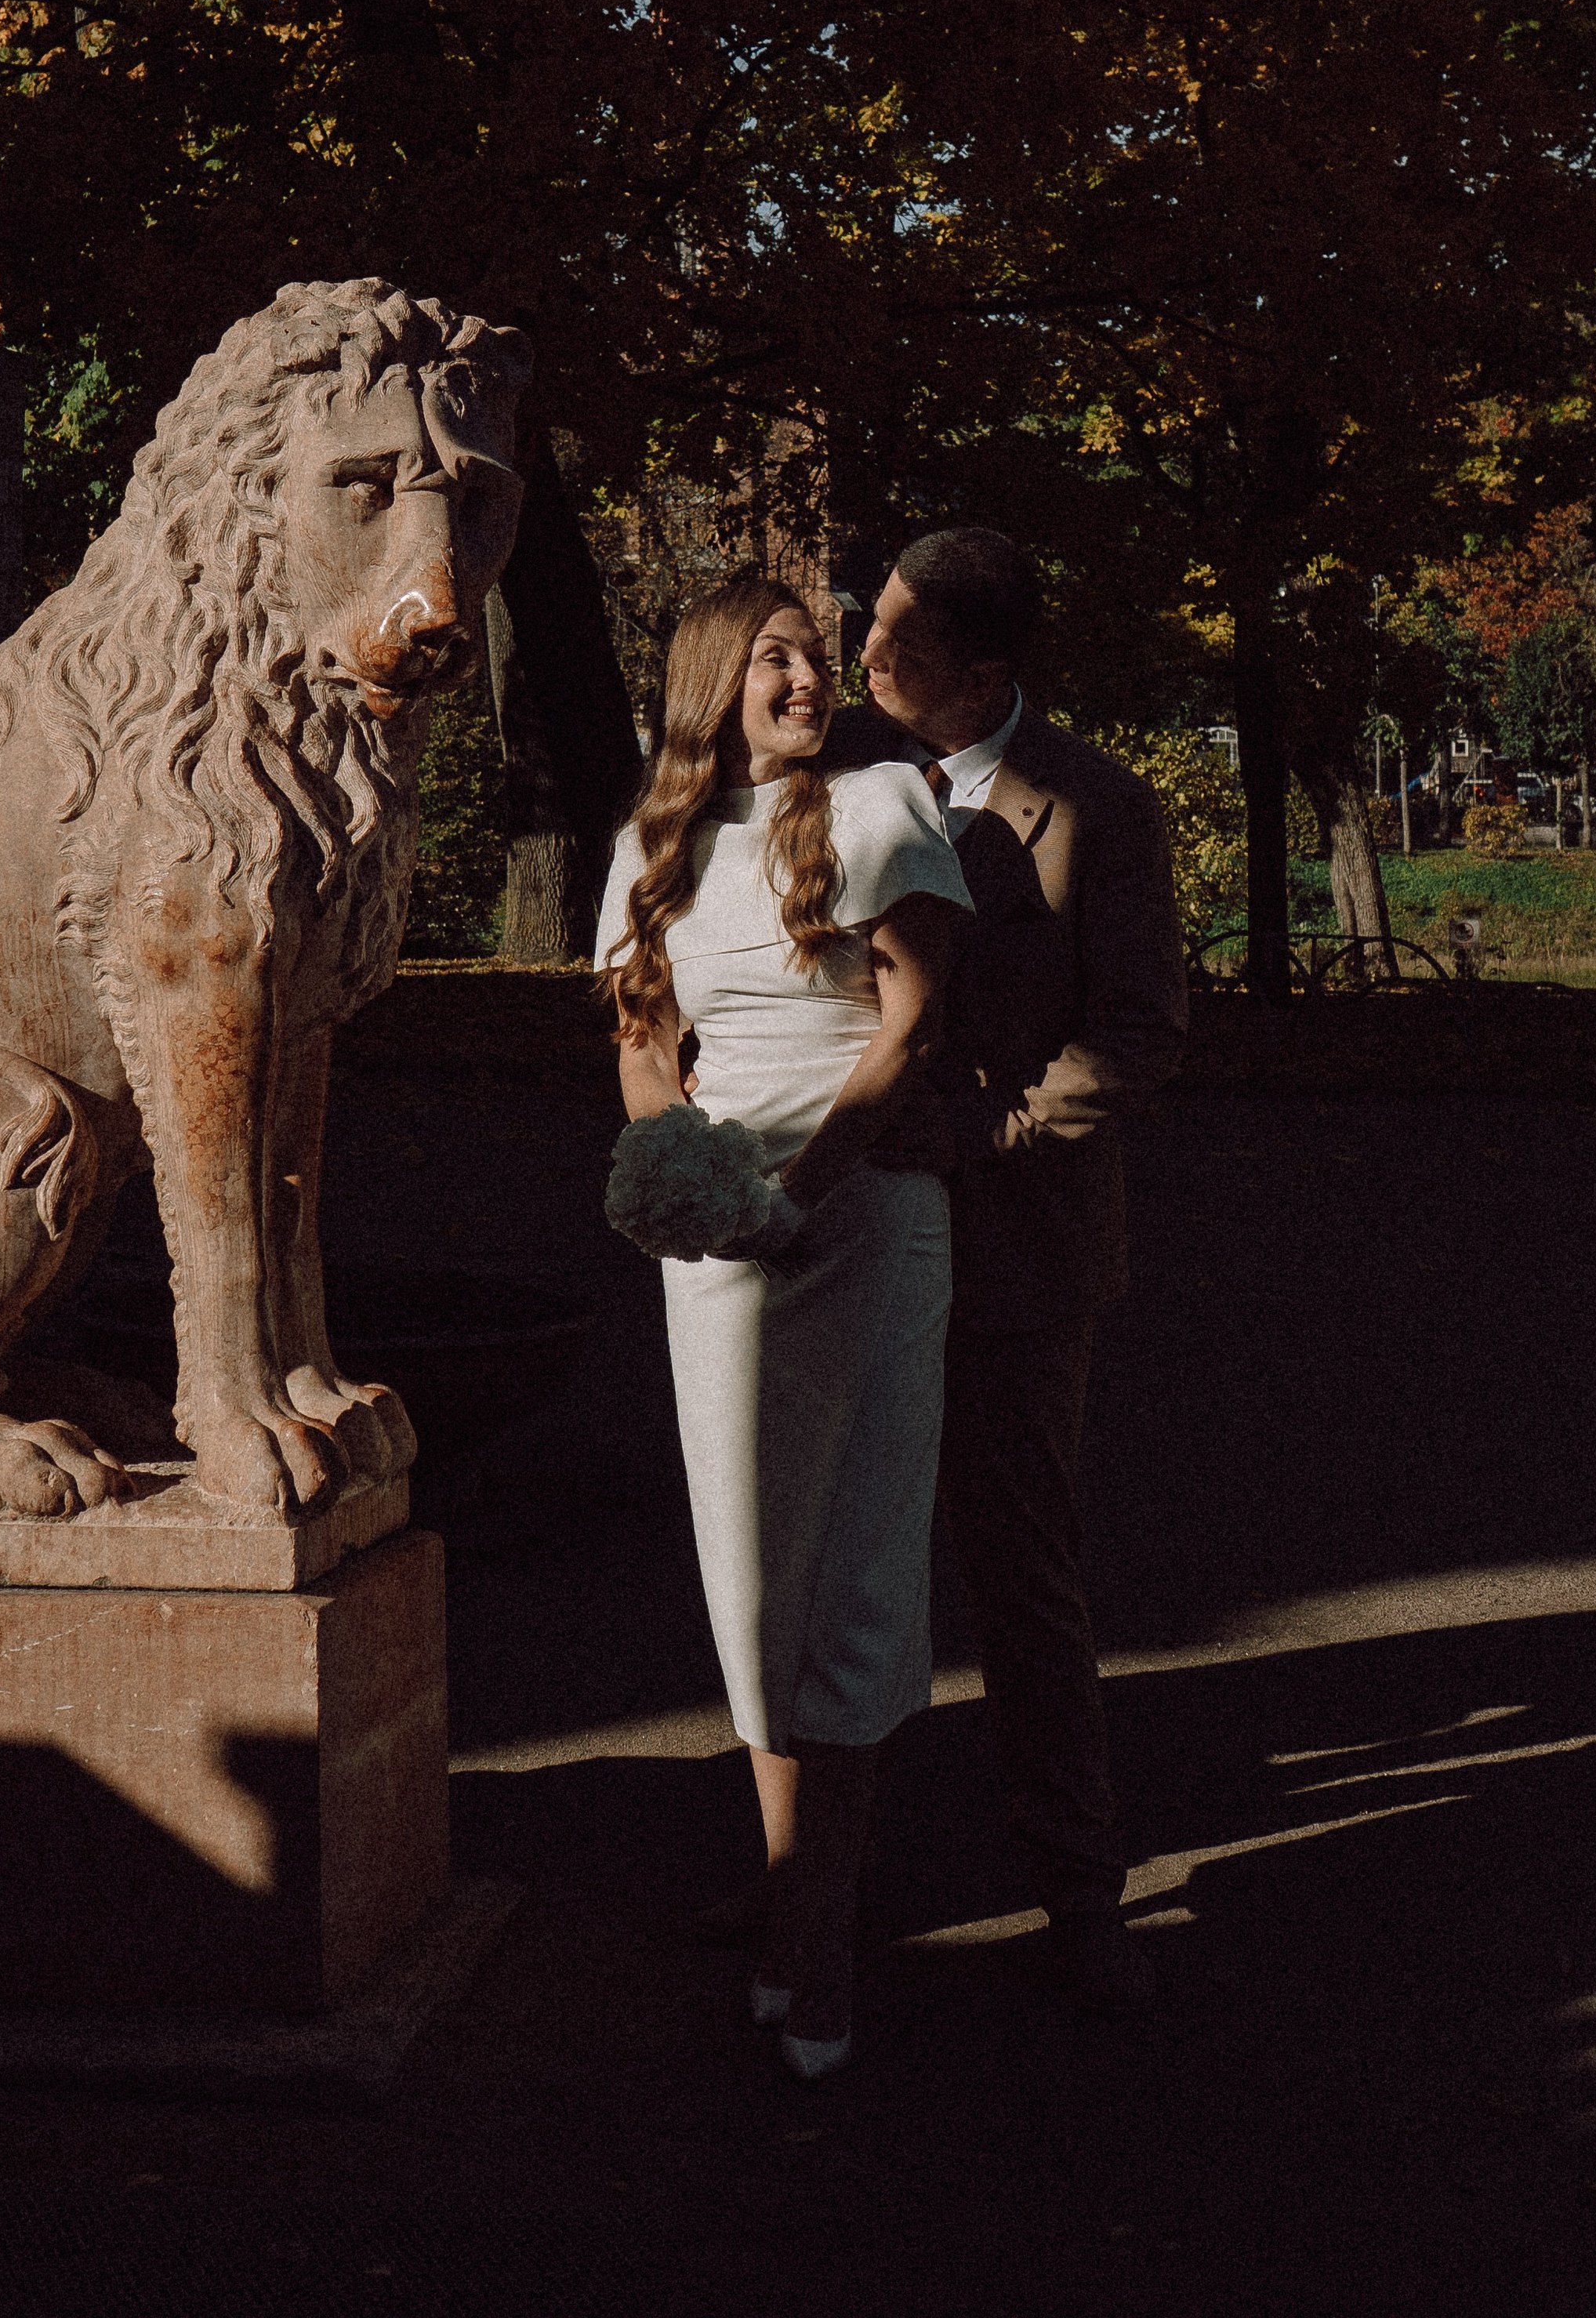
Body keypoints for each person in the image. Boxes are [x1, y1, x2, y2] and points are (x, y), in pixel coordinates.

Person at [596, 574, 971, 2079]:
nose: (813, 680)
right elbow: (641, 1042)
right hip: (726, 1247)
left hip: (868, 1223)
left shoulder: (881, 804)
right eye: (778, 659)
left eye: (818, 658)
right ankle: (791, 1888)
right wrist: (686, 1177)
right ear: (711, 680)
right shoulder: (651, 849)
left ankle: (820, 1935)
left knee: (863, 1561)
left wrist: (803, 1187)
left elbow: (912, 1021)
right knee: (753, 1573)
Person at [832, 526, 1188, 2008]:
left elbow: (1140, 1041)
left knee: (1021, 1575)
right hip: (848, 1238)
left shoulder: (1100, 809)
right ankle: (814, 1891)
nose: (862, 656)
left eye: (896, 639)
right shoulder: (835, 782)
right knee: (836, 1562)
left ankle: (1077, 1888)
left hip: (1017, 1253)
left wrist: (989, 1136)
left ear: (980, 674)